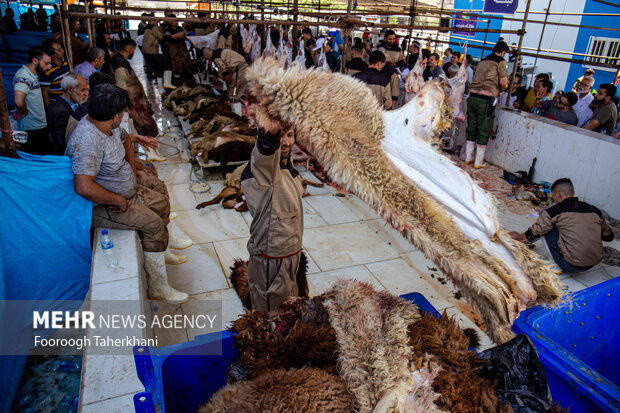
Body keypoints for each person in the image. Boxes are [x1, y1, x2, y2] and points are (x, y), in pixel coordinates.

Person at [66, 84, 189, 303]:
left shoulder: (107, 126)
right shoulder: (86, 141)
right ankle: (158, 287)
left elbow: (124, 138)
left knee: (160, 198)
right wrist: (119, 200)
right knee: (152, 224)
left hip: (122, 191)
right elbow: (83, 187)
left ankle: (162, 248)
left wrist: (132, 170)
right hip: (102, 205)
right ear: (115, 115)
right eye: (122, 112)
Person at [241, 125, 304, 312]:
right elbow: (266, 148)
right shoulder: (264, 170)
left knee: (290, 307)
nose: (286, 142)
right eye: (280, 136)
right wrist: (270, 125)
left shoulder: (286, 166)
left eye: (290, 135)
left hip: (291, 253)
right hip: (272, 260)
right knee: (271, 317)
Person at [510, 178, 614, 273]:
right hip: (593, 264)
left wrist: (518, 237)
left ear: (558, 194)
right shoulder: (594, 210)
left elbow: (532, 234)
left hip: (570, 264)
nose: (554, 200)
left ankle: (556, 263)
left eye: (553, 196)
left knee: (547, 227)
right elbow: (609, 237)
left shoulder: (554, 211)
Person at [466, 41, 509, 168]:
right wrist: (501, 90)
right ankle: (478, 162)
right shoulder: (500, 62)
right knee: (484, 129)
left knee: (472, 127)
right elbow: (503, 81)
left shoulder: (482, 61)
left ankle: (468, 158)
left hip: (472, 97)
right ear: (503, 52)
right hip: (486, 99)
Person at [111, 38, 159, 140]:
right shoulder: (120, 65)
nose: (134, 52)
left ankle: (150, 150)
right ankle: (150, 151)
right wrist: (128, 108)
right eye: (134, 50)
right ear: (130, 50)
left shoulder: (122, 60)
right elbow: (121, 88)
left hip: (137, 101)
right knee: (149, 128)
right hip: (133, 103)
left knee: (145, 127)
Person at [12, 47, 52, 155]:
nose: (48, 67)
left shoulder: (32, 76)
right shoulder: (24, 76)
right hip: (32, 129)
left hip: (38, 126)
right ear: (35, 61)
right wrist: (23, 112)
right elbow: (19, 100)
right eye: (46, 63)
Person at [46, 73, 89, 155]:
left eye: (87, 90)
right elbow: (64, 141)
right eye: (83, 90)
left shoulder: (64, 105)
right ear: (70, 90)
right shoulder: (60, 111)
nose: (86, 94)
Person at [164, 17, 200, 85]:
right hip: (174, 51)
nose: (176, 22)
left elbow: (187, 35)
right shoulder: (167, 30)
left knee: (190, 65)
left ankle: (198, 82)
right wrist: (174, 37)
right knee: (177, 67)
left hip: (184, 50)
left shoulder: (180, 28)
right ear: (170, 22)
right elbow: (167, 40)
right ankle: (177, 83)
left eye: (177, 21)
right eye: (174, 21)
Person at [142, 18, 174, 94]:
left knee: (158, 68)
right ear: (151, 21)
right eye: (155, 20)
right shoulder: (153, 27)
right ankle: (167, 83)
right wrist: (172, 37)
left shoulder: (147, 28)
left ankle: (161, 89)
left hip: (147, 52)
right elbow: (161, 37)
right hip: (151, 51)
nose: (156, 22)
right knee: (167, 63)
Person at [40, 38, 69, 106]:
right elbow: (45, 93)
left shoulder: (64, 63)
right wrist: (49, 110)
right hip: (57, 106)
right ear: (52, 55)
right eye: (59, 50)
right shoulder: (47, 70)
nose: (63, 51)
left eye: (61, 48)